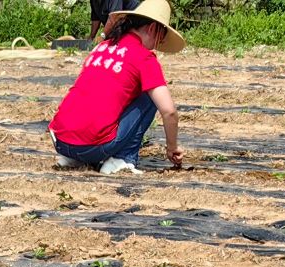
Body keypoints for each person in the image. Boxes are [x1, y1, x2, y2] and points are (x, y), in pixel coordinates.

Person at [48, 0, 185, 176]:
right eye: (160, 38)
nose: (156, 46)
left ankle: (74, 158)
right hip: (92, 146)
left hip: (60, 141)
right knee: (150, 96)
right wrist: (172, 147)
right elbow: (169, 111)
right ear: (153, 29)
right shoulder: (143, 57)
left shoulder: (102, 47)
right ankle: (123, 159)